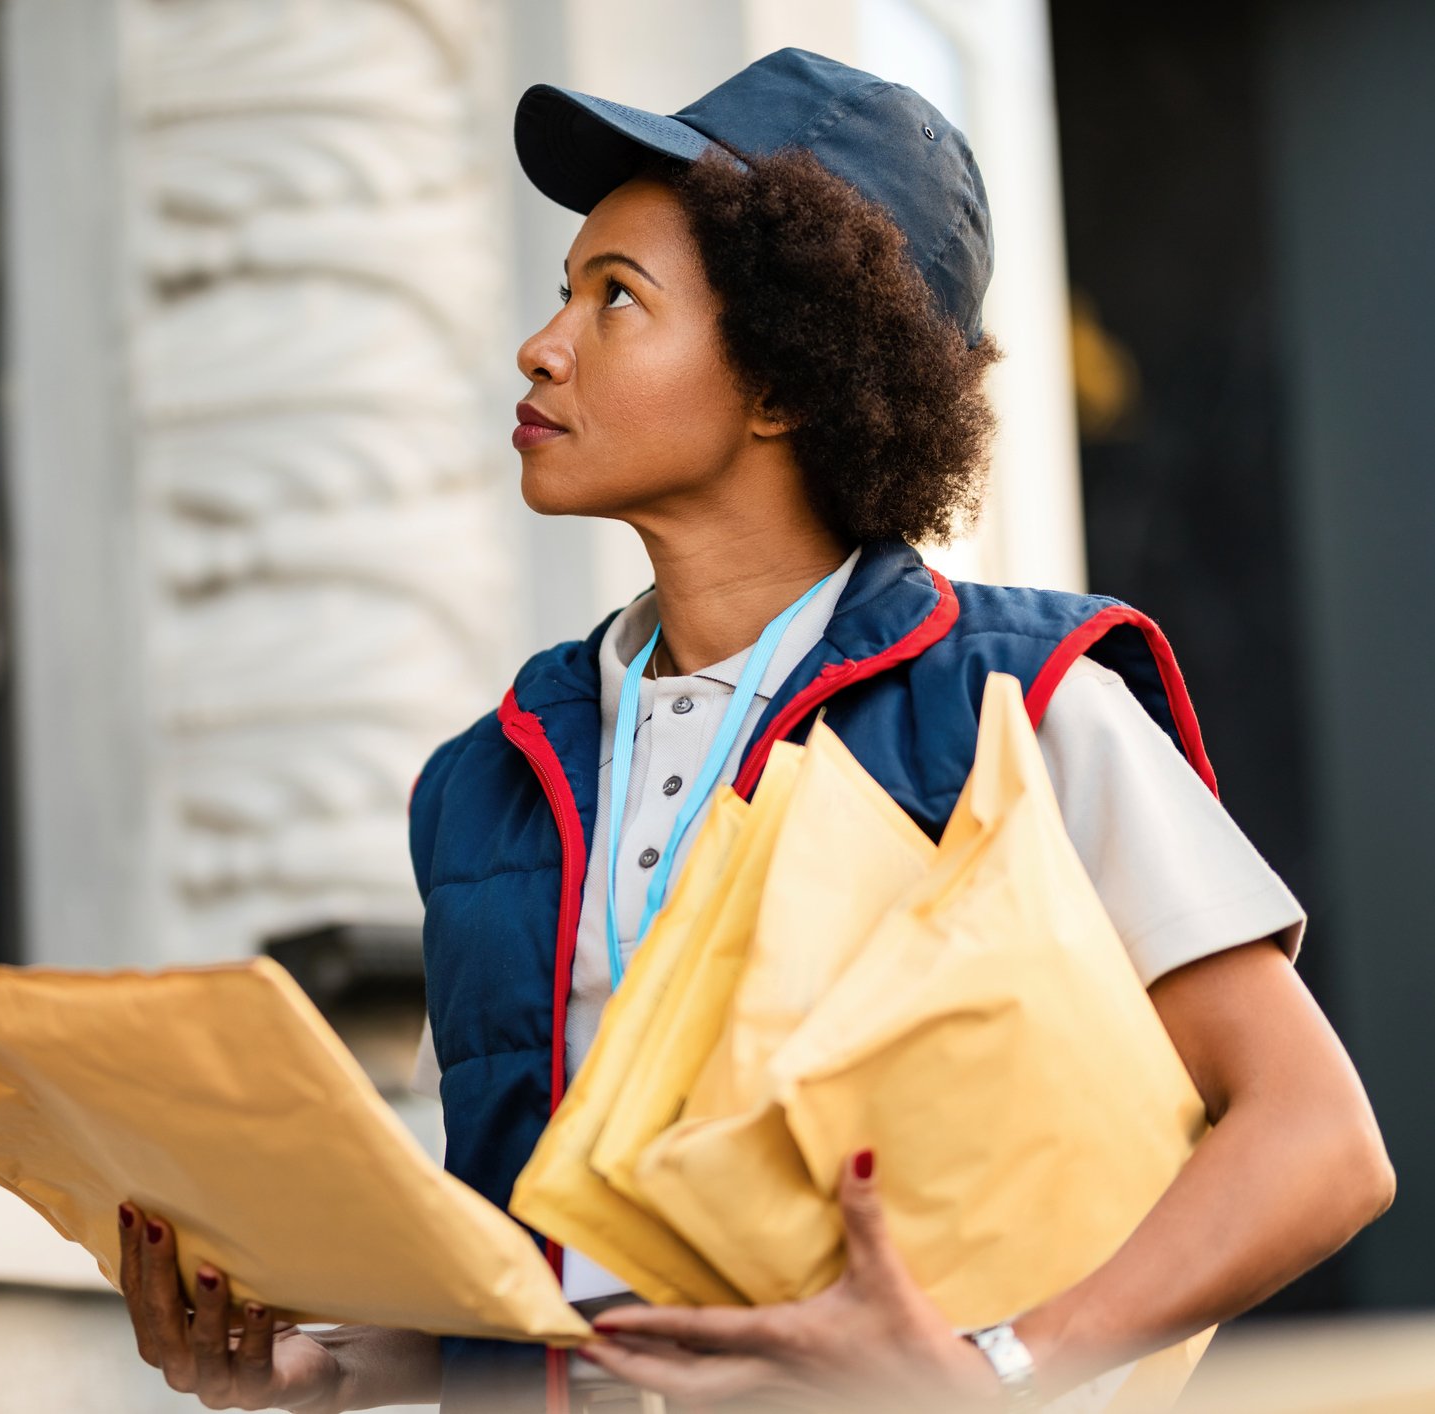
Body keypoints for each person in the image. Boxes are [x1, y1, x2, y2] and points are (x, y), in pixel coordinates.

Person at [116, 48, 1394, 1414]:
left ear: (787, 377)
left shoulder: (1020, 700)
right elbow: (548, 1292)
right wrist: (314, 1362)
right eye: (562, 292)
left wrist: (993, 1367)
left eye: (616, 299)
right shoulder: (482, 786)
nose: (540, 345)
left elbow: (1317, 1143)